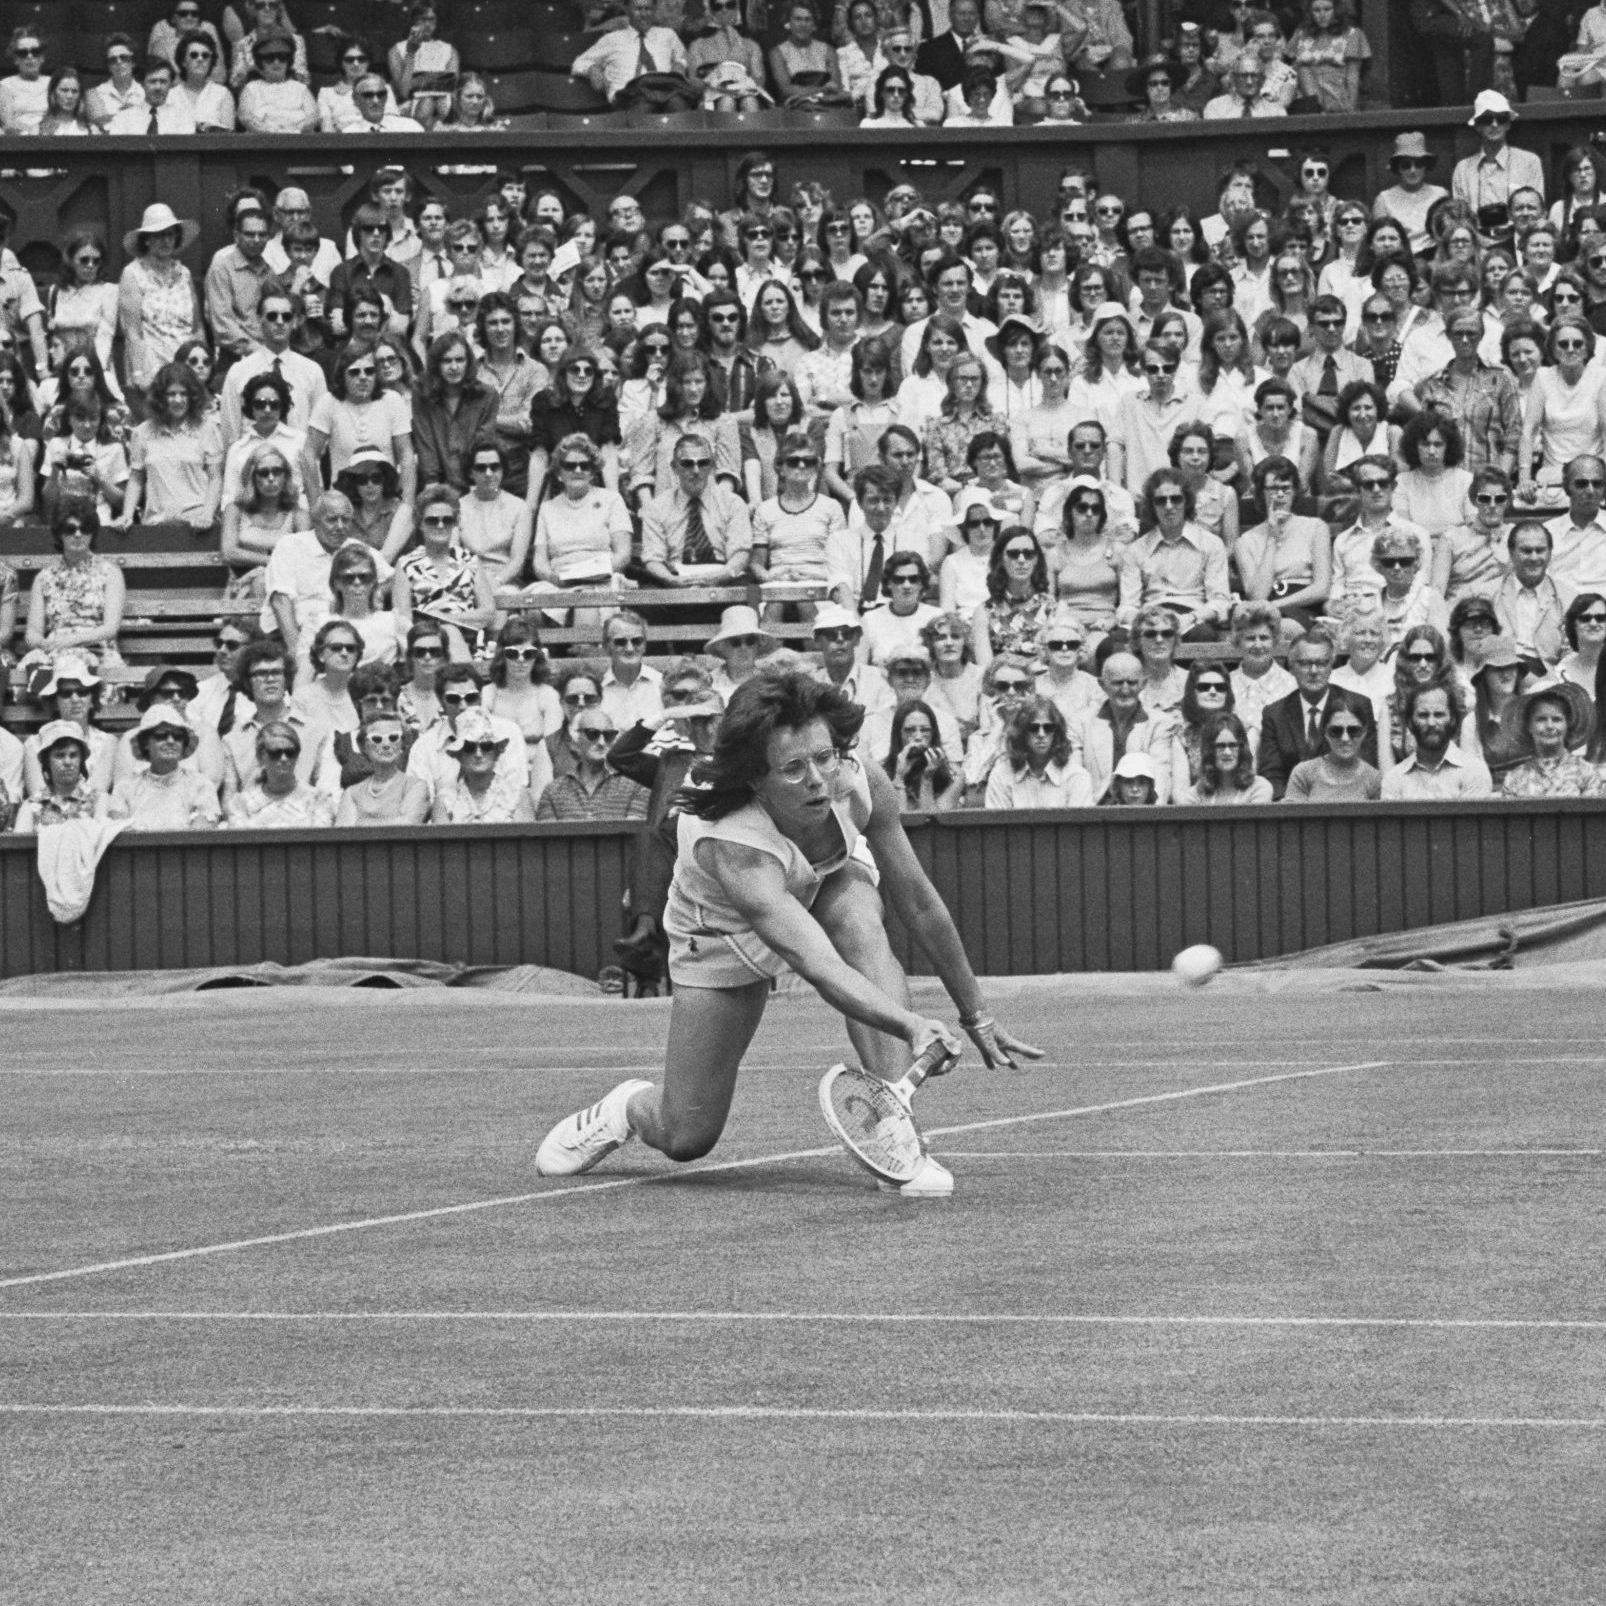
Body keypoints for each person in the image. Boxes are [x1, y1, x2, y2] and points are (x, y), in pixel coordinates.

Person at [533, 670, 1041, 1192]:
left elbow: (918, 901)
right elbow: (817, 964)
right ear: (755, 777)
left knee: (859, 920)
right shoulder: (730, 839)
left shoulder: (855, 777)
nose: (819, 779)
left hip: (823, 879)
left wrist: (975, 1012)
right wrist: (911, 1025)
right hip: (720, 931)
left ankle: (893, 1128)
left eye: (824, 757)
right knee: (687, 1135)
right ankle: (628, 1107)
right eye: (794, 769)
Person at [1255, 630, 1378, 799]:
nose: (1314, 671)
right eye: (1305, 663)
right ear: (1291, 667)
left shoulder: (1358, 706)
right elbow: (1272, 774)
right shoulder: (1275, 714)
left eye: (1321, 663)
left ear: (1331, 666)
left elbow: (1366, 766)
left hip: (1346, 805)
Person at [26, 507, 125, 669]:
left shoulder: (110, 573)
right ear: (59, 534)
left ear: (92, 533)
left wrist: (70, 641)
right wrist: (46, 644)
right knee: (31, 665)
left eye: (85, 529)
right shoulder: (44, 578)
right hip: (54, 649)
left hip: (97, 649)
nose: (78, 534)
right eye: (70, 530)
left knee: (72, 664)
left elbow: (110, 629)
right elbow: (32, 633)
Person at [107, 704, 222, 830]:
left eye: (177, 736)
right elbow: (120, 834)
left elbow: (200, 836)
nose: (171, 741)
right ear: (145, 742)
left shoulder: (201, 786)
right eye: (161, 735)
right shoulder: (124, 789)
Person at [1380, 681, 1493, 799]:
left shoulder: (1475, 772)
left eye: (1439, 714)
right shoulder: (1394, 779)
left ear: (1453, 720)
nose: (1431, 723)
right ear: (1409, 723)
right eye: (1423, 715)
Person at [1495, 520, 1574, 677]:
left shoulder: (1568, 597)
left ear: (1550, 553)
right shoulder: (1487, 594)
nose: (1534, 557)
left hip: (1549, 677)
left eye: (1540, 550)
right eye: (1526, 551)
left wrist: (1552, 679)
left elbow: (1572, 653)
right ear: (1511, 553)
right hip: (1499, 673)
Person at [984, 696, 1093, 809]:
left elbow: (1078, 826)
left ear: (1057, 732)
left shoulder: (1077, 777)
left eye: (1048, 728)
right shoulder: (1001, 775)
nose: (1041, 734)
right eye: (1033, 728)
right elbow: (997, 825)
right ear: (1022, 732)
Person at [225, 719, 334, 827]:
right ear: (261, 757)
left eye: (290, 752)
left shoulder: (317, 800)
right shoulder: (241, 804)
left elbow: (319, 842)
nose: (284, 758)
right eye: (275, 753)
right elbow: (242, 843)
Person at [1500, 684, 1602, 797]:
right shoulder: (1515, 779)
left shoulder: (1586, 773)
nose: (1549, 726)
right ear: (1529, 726)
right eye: (1541, 719)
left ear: (1567, 724)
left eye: (1556, 719)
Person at [335, 710, 430, 826]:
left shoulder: (416, 786)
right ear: (363, 746)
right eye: (377, 739)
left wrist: (360, 823)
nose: (386, 745)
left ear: (403, 744)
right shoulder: (351, 793)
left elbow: (407, 825)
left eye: (393, 737)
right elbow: (343, 834)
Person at [14, 720, 110, 831]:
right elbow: (19, 845)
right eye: (60, 756)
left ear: (81, 760)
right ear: (47, 761)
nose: (67, 762)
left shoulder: (98, 800)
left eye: (73, 755)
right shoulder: (30, 806)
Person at [1283, 701, 1383, 802]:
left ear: (1364, 733)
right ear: (1325, 733)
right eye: (1336, 731)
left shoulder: (1373, 778)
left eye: (1353, 731)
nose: (1345, 738)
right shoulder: (1303, 774)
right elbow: (1290, 816)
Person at [1178, 712, 1273, 806]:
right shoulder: (1196, 794)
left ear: (1242, 749)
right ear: (1209, 750)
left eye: (1233, 745)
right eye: (1220, 746)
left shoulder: (1259, 788)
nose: (1227, 752)